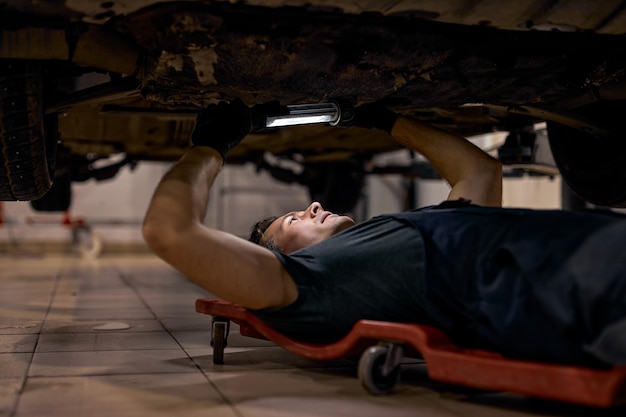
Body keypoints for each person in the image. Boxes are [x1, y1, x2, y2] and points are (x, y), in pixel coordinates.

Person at [143, 99, 626, 367]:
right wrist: (210, 148)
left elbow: (481, 172)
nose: (314, 205)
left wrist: (382, 118)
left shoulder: (393, 234)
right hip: (569, 288)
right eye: (293, 221)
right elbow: (168, 230)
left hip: (589, 245)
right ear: (275, 257)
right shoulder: (300, 286)